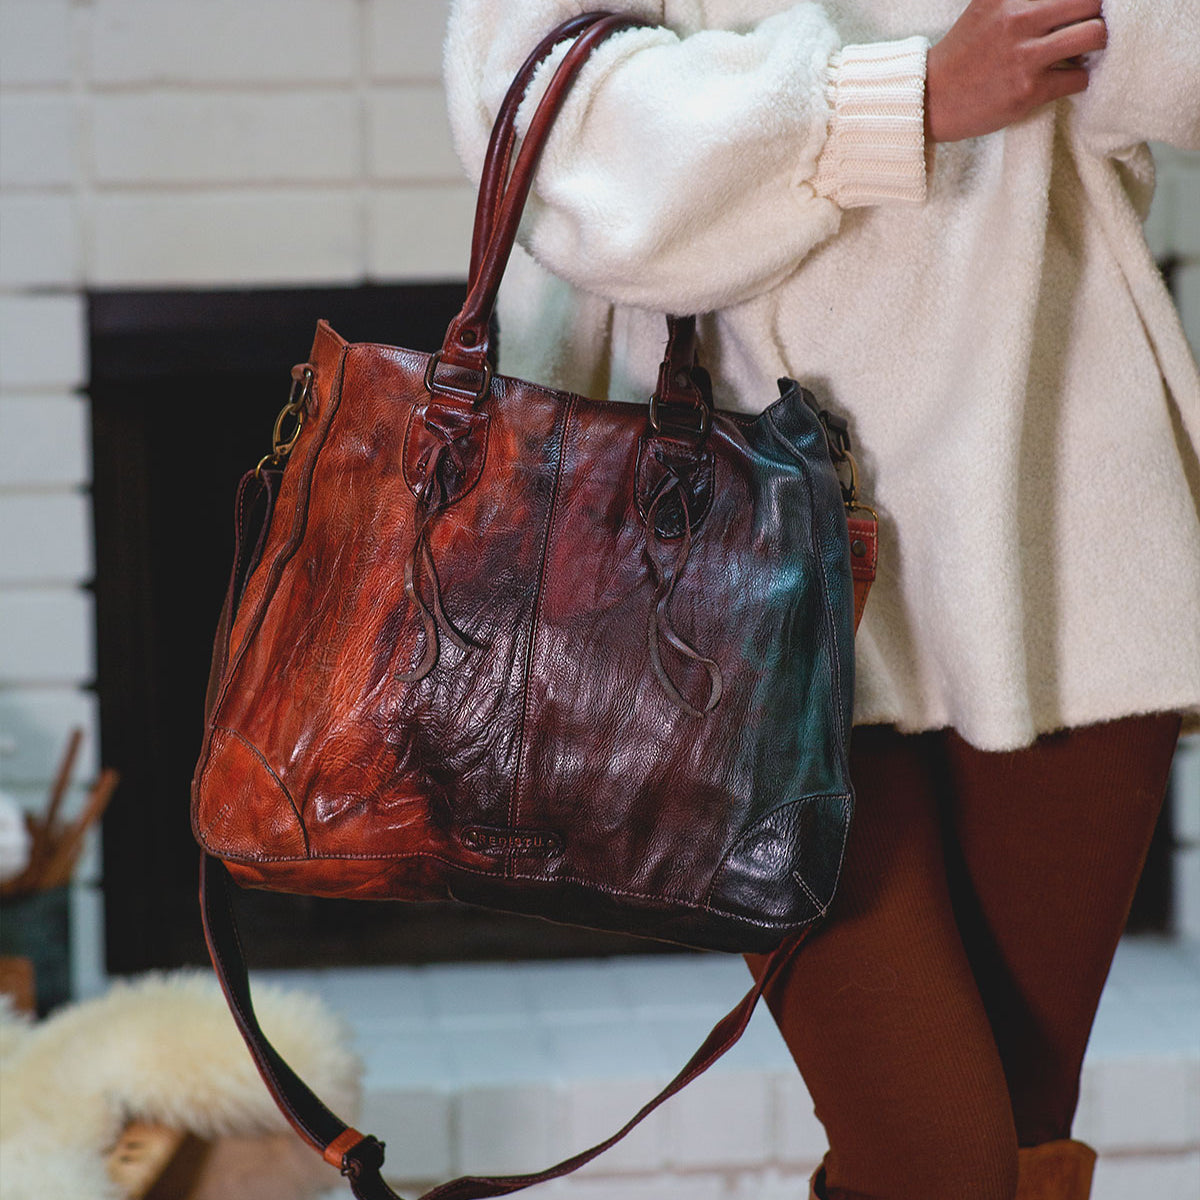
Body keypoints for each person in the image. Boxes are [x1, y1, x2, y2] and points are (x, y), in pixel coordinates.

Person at [442, 2, 1200, 1198]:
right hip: (726, 574)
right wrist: (899, 102)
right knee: (944, 1172)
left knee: (1018, 1152)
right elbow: (553, 136)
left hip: (1067, 538)